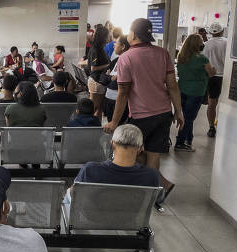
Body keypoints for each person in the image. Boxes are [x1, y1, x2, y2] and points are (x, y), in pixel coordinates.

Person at [104, 18, 184, 205]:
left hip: (141, 115)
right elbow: (172, 86)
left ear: (133, 35)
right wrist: (178, 111)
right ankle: (156, 191)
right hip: (164, 113)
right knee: (153, 156)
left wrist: (114, 122)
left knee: (130, 153)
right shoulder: (163, 53)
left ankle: (151, 189)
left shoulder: (126, 58)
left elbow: (123, 92)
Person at [72, 124, 160, 188]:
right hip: (131, 214)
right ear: (141, 148)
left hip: (94, 213)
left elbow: (73, 194)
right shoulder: (151, 176)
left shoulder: (90, 170)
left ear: (112, 144)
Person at [175, 34, 215, 152]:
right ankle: (180, 143)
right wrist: (214, 70)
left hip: (182, 90)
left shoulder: (181, 57)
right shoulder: (202, 59)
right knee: (188, 118)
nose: (203, 44)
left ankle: (189, 140)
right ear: (198, 45)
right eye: (202, 42)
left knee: (187, 116)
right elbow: (211, 73)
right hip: (196, 92)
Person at [203, 22, 227, 138]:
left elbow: (203, 62)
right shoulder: (227, 42)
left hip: (212, 77)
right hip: (225, 76)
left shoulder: (206, 44)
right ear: (222, 31)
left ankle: (211, 127)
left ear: (210, 33)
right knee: (226, 104)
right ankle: (223, 126)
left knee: (212, 104)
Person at [103, 35, 130, 123]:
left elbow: (119, 84)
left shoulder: (127, 62)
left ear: (123, 46)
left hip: (119, 103)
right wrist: (112, 78)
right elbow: (102, 79)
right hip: (109, 100)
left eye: (116, 43)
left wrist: (109, 78)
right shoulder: (116, 60)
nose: (113, 45)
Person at [86, 27, 111, 118]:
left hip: (100, 81)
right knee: (93, 108)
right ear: (103, 36)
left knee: (100, 108)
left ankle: (96, 128)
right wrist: (108, 65)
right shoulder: (96, 49)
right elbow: (93, 68)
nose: (110, 36)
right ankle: (86, 127)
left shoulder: (101, 48)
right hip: (96, 81)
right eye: (108, 35)